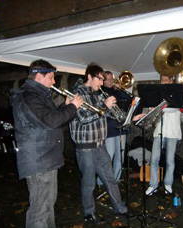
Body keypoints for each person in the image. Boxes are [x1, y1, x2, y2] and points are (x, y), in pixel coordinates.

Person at [10, 59, 83, 228]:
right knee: (40, 212)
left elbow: (46, 121)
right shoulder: (28, 96)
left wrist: (65, 107)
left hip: (46, 159)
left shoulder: (37, 96)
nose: (54, 81)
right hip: (39, 161)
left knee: (47, 206)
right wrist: (72, 107)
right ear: (38, 77)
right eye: (51, 77)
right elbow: (51, 121)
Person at [69, 63, 136, 225]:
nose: (101, 82)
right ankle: (89, 212)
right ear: (89, 77)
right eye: (99, 79)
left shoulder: (97, 93)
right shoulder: (77, 94)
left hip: (99, 145)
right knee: (88, 182)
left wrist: (130, 117)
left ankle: (119, 207)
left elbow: (108, 114)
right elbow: (83, 118)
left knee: (110, 178)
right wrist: (103, 106)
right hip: (85, 146)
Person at [145, 75, 182, 195]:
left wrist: (158, 108)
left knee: (170, 161)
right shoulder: (157, 96)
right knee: (154, 159)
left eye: (166, 80)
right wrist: (152, 111)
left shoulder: (176, 94)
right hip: (159, 131)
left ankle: (168, 184)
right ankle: (153, 185)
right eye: (162, 80)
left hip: (172, 132)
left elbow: (171, 109)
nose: (164, 82)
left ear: (170, 81)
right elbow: (152, 116)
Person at [97, 71, 132, 186]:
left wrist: (120, 89)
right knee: (109, 155)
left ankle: (115, 180)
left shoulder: (116, 91)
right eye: (108, 79)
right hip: (109, 128)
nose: (111, 81)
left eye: (112, 79)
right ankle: (102, 181)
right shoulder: (100, 91)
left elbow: (129, 99)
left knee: (120, 155)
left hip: (121, 126)